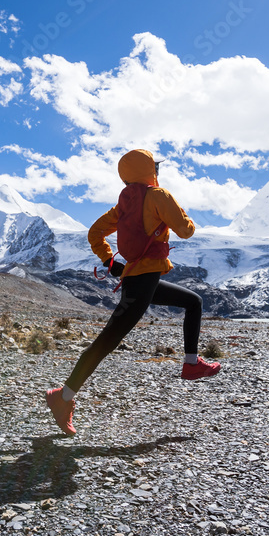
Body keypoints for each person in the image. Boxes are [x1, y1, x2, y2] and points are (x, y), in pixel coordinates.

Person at [46, 149, 221, 436]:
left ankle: (191, 363)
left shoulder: (124, 204)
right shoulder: (159, 196)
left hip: (140, 280)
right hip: (142, 283)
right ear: (150, 170)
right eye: (155, 166)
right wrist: (185, 216)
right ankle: (61, 398)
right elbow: (185, 230)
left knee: (193, 302)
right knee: (105, 343)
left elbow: (94, 233)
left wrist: (110, 262)